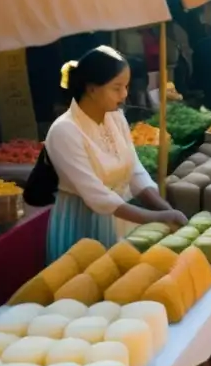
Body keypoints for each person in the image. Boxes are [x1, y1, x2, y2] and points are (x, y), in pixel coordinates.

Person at [44, 46, 187, 261]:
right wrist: (155, 217)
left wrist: (164, 208)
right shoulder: (64, 131)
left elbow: (135, 170)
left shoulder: (115, 117)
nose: (125, 94)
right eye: (117, 87)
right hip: (84, 222)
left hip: (121, 217)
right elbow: (96, 195)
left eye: (126, 86)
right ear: (92, 89)